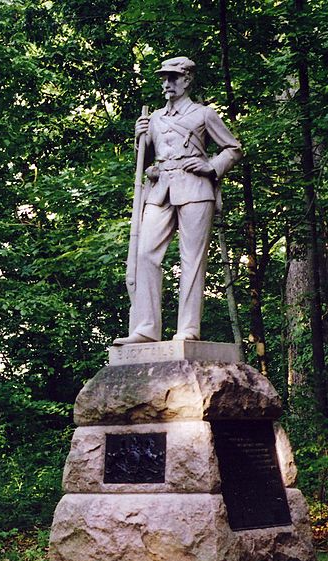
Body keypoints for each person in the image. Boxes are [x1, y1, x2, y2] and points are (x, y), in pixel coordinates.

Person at [113, 56, 243, 345]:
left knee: (191, 260)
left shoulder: (203, 114)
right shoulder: (154, 118)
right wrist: (140, 140)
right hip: (160, 189)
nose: (167, 83)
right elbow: (144, 159)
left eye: (173, 77)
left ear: (187, 79)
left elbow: (233, 148)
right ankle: (146, 328)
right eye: (164, 78)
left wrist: (211, 166)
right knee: (145, 253)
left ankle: (188, 329)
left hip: (196, 188)